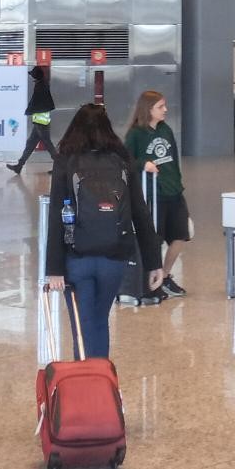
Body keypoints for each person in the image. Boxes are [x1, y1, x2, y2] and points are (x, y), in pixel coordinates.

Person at [44, 104, 164, 360]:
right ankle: (102, 383)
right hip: (114, 258)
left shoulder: (66, 160)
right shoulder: (121, 159)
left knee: (83, 327)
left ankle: (87, 386)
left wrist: (54, 269)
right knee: (100, 320)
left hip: (77, 258)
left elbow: (57, 215)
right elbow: (140, 213)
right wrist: (154, 263)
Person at [123, 91, 188, 299]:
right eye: (160, 106)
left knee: (180, 235)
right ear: (148, 109)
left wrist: (177, 182)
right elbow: (125, 160)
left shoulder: (165, 129)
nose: (165, 110)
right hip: (152, 193)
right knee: (155, 239)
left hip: (173, 191)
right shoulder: (135, 134)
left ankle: (165, 275)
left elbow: (173, 159)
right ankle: (152, 278)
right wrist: (144, 164)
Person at [9, 64, 56, 174]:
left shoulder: (41, 86)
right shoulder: (42, 84)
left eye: (33, 75)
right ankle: (19, 166)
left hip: (41, 121)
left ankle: (61, 166)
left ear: (36, 76)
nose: (32, 77)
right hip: (39, 121)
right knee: (30, 143)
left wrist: (29, 111)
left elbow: (36, 103)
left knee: (48, 144)